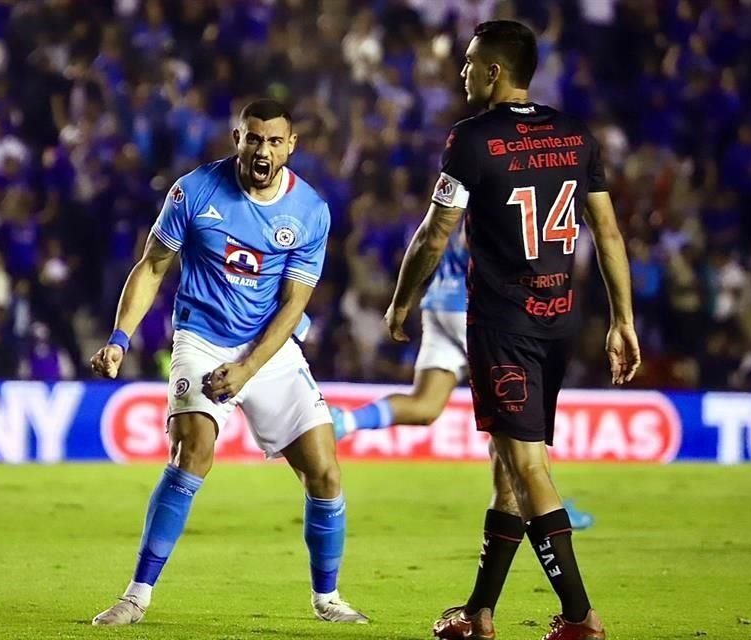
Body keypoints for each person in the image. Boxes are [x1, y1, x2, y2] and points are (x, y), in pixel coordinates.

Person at [383, 21, 640, 640]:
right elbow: (606, 233)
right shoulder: (576, 137)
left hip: (504, 324)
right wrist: (623, 321)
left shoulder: (470, 140)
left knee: (526, 467)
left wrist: (402, 303)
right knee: (507, 467)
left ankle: (581, 618)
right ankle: (479, 613)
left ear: (495, 71)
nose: (463, 72)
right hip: (559, 320)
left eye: (471, 63)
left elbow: (435, 233)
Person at [89, 99, 367, 626]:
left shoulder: (310, 210)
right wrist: (120, 339)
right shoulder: (193, 192)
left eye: (274, 141)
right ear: (237, 138)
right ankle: (136, 595)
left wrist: (247, 370)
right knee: (191, 452)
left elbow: (294, 305)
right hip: (202, 338)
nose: (263, 150)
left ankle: (327, 598)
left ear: (291, 146)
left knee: (325, 472)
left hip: (270, 345)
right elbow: (151, 267)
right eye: (253, 138)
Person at [329, 227, 595, 530]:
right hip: (476, 307)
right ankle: (547, 506)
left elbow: (432, 237)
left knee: (425, 404)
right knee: (520, 414)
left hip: (440, 302)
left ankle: (345, 422)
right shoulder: (492, 188)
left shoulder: (455, 191)